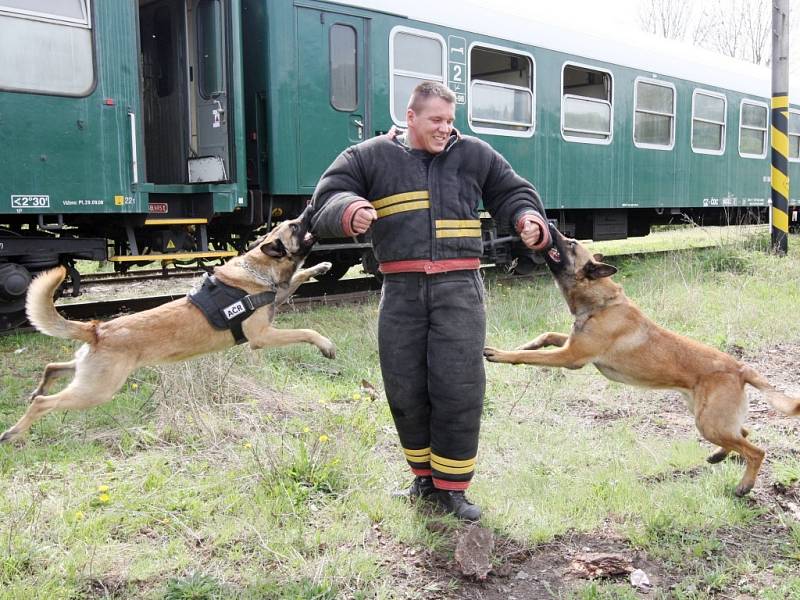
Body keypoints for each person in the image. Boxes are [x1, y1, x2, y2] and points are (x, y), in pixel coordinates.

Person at [310, 81, 550, 521]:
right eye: (436, 120)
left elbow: (512, 192)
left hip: (459, 289)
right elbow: (325, 199)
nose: (445, 129)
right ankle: (423, 482)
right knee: (405, 388)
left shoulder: (475, 153)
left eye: (450, 121)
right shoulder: (367, 157)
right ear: (411, 117)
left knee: (458, 387)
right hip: (400, 291)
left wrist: (527, 218)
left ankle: (453, 490)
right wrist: (350, 210)